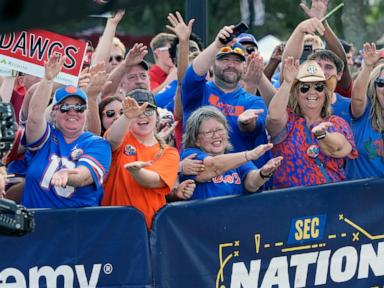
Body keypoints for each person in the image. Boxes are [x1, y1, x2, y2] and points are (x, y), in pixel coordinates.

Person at [22, 54, 112, 208]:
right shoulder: (46, 137)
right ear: (53, 113)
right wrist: (48, 80)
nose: (72, 112)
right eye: (65, 107)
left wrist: (67, 175)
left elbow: (84, 176)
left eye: (79, 107)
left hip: (75, 227)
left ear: (85, 112)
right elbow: (34, 119)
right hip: (36, 225)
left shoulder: (98, 144)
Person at [182, 25, 270, 171]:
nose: (231, 65)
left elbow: (255, 129)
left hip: (243, 183)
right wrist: (217, 45)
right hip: (202, 177)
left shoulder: (253, 101)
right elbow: (191, 75)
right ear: (213, 64)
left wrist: (246, 123)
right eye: (225, 59)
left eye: (237, 61)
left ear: (244, 66)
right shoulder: (199, 92)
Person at [267, 59, 358, 189]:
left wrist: (323, 135)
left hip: (331, 199)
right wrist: (287, 83)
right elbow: (273, 117)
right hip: (290, 202)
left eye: (319, 87)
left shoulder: (336, 122)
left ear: (325, 93)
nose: (312, 92)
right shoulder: (288, 120)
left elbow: (340, 148)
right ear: (296, 94)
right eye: (304, 88)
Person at [102, 89, 179, 228]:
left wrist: (137, 172)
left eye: (148, 111)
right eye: (137, 112)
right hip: (113, 225)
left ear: (157, 116)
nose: (142, 116)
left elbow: (153, 181)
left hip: (148, 229)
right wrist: (127, 116)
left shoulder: (168, 152)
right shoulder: (122, 138)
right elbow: (112, 141)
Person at [180, 106, 282, 200]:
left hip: (234, 216)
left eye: (220, 130)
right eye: (208, 132)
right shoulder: (190, 156)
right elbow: (214, 165)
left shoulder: (236, 159)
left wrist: (263, 173)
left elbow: (251, 184)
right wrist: (248, 155)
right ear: (196, 140)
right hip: (202, 217)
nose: (216, 135)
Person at [346, 43, 384, 179]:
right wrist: (367, 67)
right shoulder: (365, 111)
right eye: (381, 83)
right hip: (360, 195)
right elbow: (357, 98)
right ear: (373, 86)